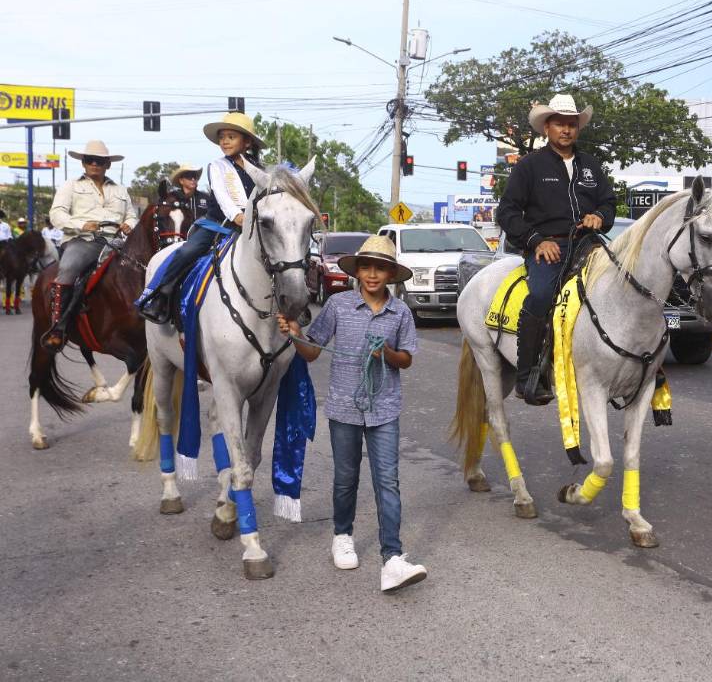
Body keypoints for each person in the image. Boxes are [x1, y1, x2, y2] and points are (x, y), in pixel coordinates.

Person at [276, 235, 426, 593]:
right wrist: (296, 333)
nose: (372, 275)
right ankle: (342, 535)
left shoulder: (400, 313)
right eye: (366, 267)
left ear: (391, 275)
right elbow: (312, 351)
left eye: (381, 268)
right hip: (344, 406)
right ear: (357, 271)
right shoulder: (339, 306)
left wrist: (386, 353)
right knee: (346, 478)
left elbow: (406, 359)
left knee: (387, 480)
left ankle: (392, 557)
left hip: (384, 407)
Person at [497, 93, 617, 405]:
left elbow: (608, 202)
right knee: (540, 295)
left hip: (588, 246)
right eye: (560, 124)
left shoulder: (591, 165)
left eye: (572, 125)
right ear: (546, 128)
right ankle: (528, 377)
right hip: (548, 248)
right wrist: (536, 240)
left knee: (622, 284)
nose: (566, 130)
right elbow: (507, 212)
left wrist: (600, 216)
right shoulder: (529, 167)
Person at [137, 112, 262, 323]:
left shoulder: (259, 169)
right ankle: (162, 295)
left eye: (231, 136)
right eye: (222, 137)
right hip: (219, 225)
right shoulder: (217, 166)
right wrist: (238, 216)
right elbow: (223, 197)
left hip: (253, 226)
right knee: (188, 250)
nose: (224, 141)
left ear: (247, 141)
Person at [45, 140, 137, 350]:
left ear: (108, 164)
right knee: (69, 268)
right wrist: (82, 225)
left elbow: (132, 215)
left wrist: (129, 225)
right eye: (90, 160)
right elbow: (57, 214)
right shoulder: (71, 185)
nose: (94, 164)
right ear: (84, 163)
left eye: (100, 161)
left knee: (147, 266)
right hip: (84, 240)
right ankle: (58, 327)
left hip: (116, 241)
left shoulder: (120, 189)